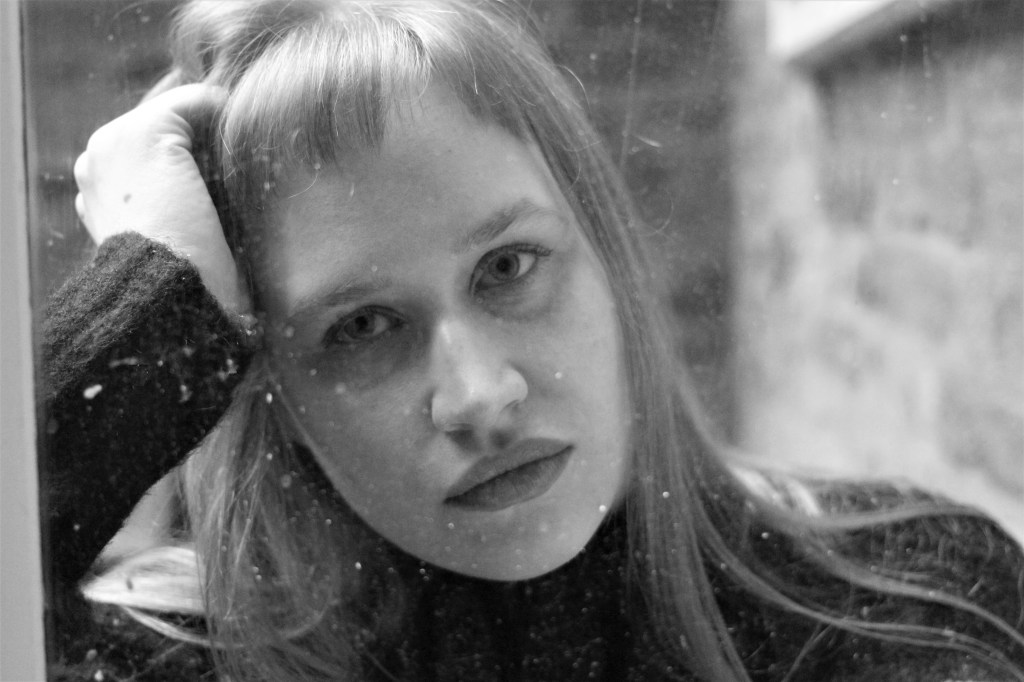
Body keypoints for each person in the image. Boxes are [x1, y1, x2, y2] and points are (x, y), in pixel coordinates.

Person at [43, 0, 1024, 680]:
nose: (479, 396)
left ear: (607, 258)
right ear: (274, 389)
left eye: (508, 267)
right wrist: (149, 290)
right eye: (362, 326)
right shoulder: (168, 659)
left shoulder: (912, 604)